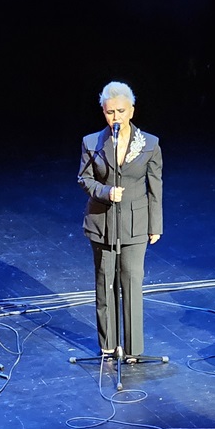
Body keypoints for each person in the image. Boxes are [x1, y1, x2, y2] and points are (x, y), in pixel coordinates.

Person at [78, 81, 163, 359]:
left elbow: (155, 186)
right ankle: (107, 346)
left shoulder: (150, 144)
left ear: (132, 111)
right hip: (102, 224)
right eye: (110, 112)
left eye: (121, 111)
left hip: (136, 224)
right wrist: (106, 192)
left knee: (131, 282)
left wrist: (155, 226)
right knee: (105, 284)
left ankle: (133, 350)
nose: (116, 117)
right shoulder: (92, 142)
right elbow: (84, 178)